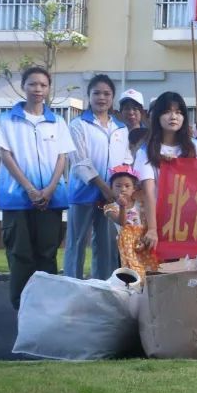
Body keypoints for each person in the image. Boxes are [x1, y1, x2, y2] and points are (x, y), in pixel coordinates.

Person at [0, 66, 76, 309]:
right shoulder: (8, 119)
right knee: (20, 255)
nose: (37, 89)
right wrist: (30, 189)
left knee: (47, 254)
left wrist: (49, 189)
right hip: (17, 199)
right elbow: (5, 154)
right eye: (32, 84)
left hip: (50, 199)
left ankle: (47, 307)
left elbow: (62, 157)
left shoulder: (57, 122)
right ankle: (22, 307)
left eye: (43, 85)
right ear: (23, 86)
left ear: (48, 88)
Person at [65, 74, 131, 281]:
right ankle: (72, 285)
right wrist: (104, 187)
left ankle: (103, 286)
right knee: (77, 243)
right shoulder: (78, 125)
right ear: (89, 96)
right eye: (97, 93)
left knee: (106, 245)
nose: (102, 98)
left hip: (111, 198)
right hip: (83, 193)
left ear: (112, 98)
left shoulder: (120, 128)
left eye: (107, 94)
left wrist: (120, 190)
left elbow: (126, 160)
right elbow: (80, 161)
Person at [134, 92, 197, 253]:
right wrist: (152, 229)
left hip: (190, 219)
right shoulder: (146, 150)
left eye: (178, 112)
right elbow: (148, 191)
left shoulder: (194, 146)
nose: (173, 117)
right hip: (159, 219)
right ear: (157, 116)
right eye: (167, 112)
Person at [102, 165, 159, 277]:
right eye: (118, 186)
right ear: (111, 188)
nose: (123, 189)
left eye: (127, 186)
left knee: (149, 269)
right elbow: (122, 222)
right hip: (127, 244)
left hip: (143, 239)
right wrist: (122, 207)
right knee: (132, 271)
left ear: (134, 188)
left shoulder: (140, 202)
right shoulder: (110, 207)